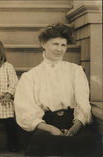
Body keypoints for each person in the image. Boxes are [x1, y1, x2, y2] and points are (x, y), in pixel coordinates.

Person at [14, 23, 102, 156]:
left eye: (63, 45)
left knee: (90, 140)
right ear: (43, 44)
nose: (59, 49)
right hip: (46, 122)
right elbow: (25, 111)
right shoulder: (30, 76)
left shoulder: (75, 71)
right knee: (42, 141)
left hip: (73, 119)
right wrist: (50, 129)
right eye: (55, 44)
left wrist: (77, 126)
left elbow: (83, 102)